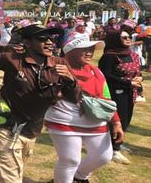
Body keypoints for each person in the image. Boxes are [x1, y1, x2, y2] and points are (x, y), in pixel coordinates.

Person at [0, 24, 78, 183]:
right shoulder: (11, 59)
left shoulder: (60, 64)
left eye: (51, 38)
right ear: (27, 42)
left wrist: (71, 81)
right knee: (12, 178)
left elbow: (74, 98)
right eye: (42, 38)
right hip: (6, 125)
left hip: (32, 129)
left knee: (13, 169)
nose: (49, 42)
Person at [44, 33, 124, 183]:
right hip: (64, 120)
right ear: (70, 51)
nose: (89, 52)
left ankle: (79, 177)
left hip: (95, 120)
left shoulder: (96, 72)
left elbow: (106, 98)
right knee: (70, 160)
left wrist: (116, 122)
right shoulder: (56, 69)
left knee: (103, 156)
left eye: (91, 48)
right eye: (84, 49)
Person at [98, 27, 143, 165]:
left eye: (129, 36)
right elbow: (106, 76)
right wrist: (128, 82)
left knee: (127, 119)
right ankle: (114, 150)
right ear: (115, 40)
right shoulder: (110, 56)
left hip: (130, 92)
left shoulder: (132, 54)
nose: (128, 39)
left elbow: (137, 71)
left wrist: (139, 79)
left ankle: (118, 143)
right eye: (124, 37)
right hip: (116, 93)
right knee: (118, 120)